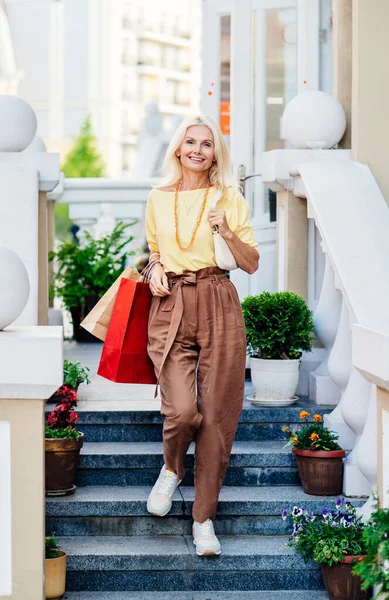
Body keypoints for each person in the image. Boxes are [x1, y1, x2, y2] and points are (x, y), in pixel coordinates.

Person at [145, 115, 259, 557]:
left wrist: (224, 227)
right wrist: (154, 268)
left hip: (218, 300)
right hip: (172, 305)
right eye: (189, 141)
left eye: (206, 144)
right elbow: (155, 252)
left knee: (216, 416)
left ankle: (203, 520)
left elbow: (250, 263)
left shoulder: (229, 197)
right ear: (177, 148)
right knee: (181, 410)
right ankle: (172, 469)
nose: (197, 149)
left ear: (215, 153)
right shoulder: (157, 198)